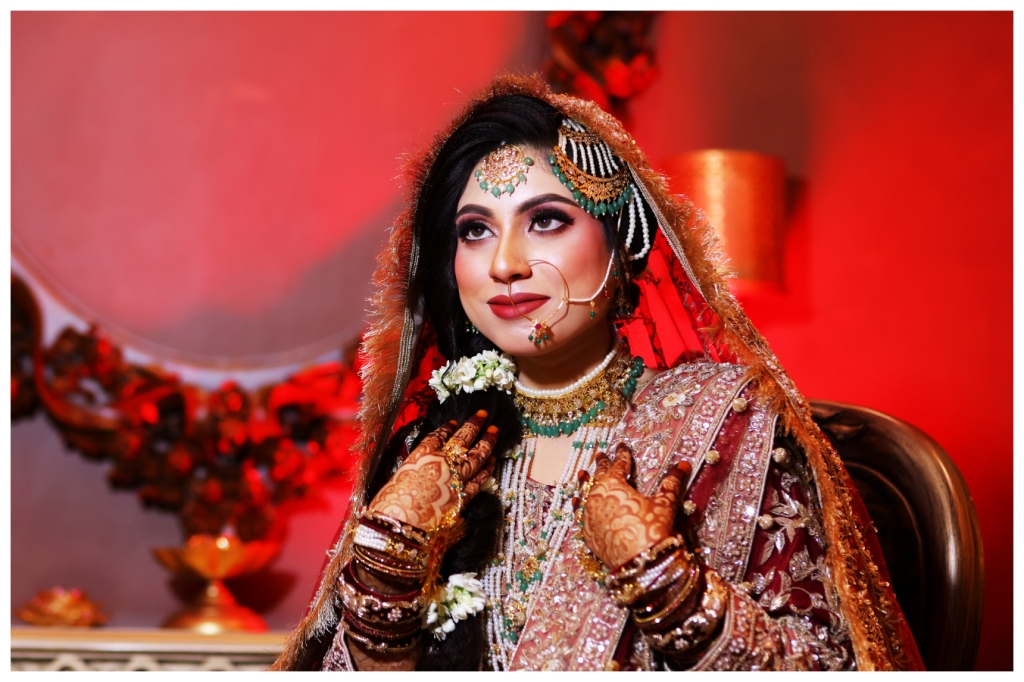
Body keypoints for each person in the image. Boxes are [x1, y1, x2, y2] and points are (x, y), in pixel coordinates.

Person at [271, 74, 923, 671]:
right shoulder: (434, 455)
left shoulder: (722, 426)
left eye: (546, 221)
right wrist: (384, 586)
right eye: (474, 231)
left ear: (624, 244)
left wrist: (670, 589)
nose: (505, 264)